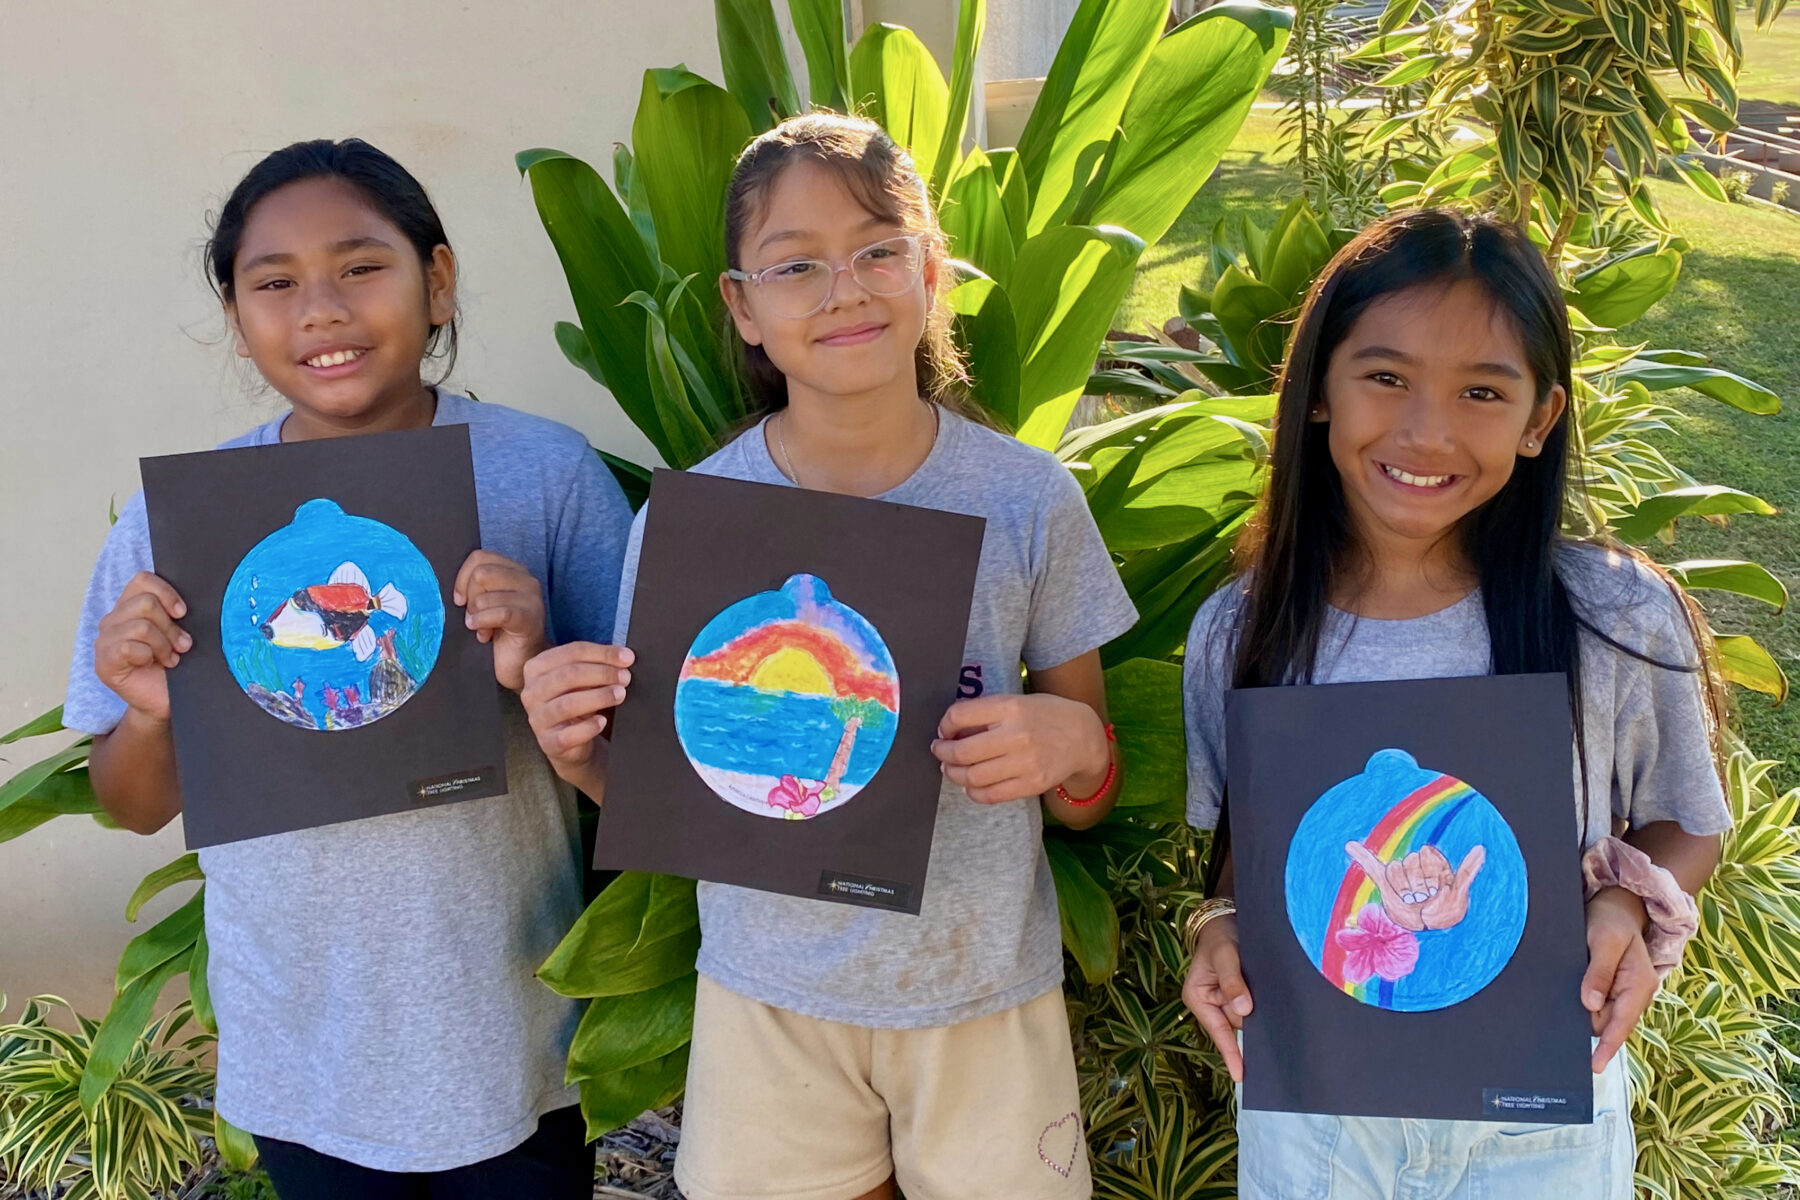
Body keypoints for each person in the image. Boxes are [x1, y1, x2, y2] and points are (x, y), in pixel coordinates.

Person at [519, 112, 1137, 1200]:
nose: (842, 289)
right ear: (743, 307)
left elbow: (1088, 794)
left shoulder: (1027, 499)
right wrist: (575, 752)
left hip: (982, 994)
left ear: (932, 270)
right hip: (772, 996)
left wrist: (1074, 740)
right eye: (795, 265)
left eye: (877, 250)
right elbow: (661, 800)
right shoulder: (699, 525)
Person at [64, 138, 634, 1199]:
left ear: (439, 281)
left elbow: (644, 773)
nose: (319, 308)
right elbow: (130, 806)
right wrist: (150, 715)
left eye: (361, 265)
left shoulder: (545, 476)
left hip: (511, 1029)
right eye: (273, 283)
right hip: (303, 1046)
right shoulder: (175, 531)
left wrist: (539, 661)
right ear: (238, 319)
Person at [1178, 208, 1729, 1199]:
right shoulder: (1239, 631)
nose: (1426, 431)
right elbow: (1242, 855)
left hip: (1542, 1118)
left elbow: (1689, 824)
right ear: (1318, 396)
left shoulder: (1612, 613)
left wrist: (1618, 903)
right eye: (1385, 377)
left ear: (1539, 420)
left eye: (1482, 391)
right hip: (1320, 1118)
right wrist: (1214, 926)